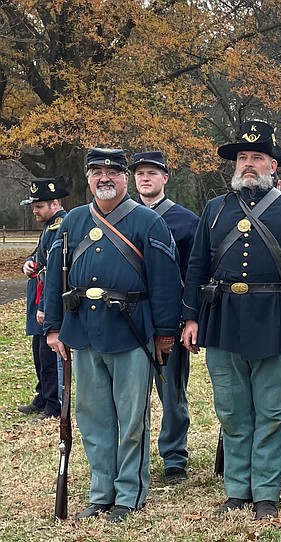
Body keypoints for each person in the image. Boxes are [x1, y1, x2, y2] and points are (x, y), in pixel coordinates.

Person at [182, 121, 281, 519]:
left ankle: (265, 491)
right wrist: (190, 317)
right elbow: (197, 267)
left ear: (273, 166)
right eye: (243, 158)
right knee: (231, 410)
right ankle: (237, 490)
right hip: (223, 318)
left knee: (273, 410)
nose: (249, 164)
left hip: (277, 318)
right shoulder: (214, 209)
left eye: (257, 158)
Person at [44, 148, 182, 522]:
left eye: (113, 172)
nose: (104, 178)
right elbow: (56, 275)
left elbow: (166, 282)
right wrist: (53, 327)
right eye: (97, 172)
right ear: (88, 178)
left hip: (132, 331)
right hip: (84, 332)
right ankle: (101, 492)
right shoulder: (72, 221)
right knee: (92, 417)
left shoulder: (146, 221)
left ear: (125, 178)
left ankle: (129, 494)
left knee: (132, 418)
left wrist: (166, 332)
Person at [129, 151, 200, 484]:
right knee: (129, 396)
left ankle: (174, 457)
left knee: (171, 394)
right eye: (140, 173)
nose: (145, 178)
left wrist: (188, 318)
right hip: (128, 321)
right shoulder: (121, 219)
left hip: (168, 321)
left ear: (165, 178)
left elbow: (194, 274)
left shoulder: (186, 221)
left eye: (152, 173)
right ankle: (133, 457)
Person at [18, 178, 69, 420]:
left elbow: (54, 270)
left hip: (47, 300)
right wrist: (28, 263)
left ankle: (54, 404)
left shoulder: (60, 226)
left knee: (50, 356)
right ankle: (43, 395)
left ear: (55, 203)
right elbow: (39, 256)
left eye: (39, 206)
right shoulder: (50, 227)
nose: (34, 211)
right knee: (39, 354)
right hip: (39, 298)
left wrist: (45, 307)